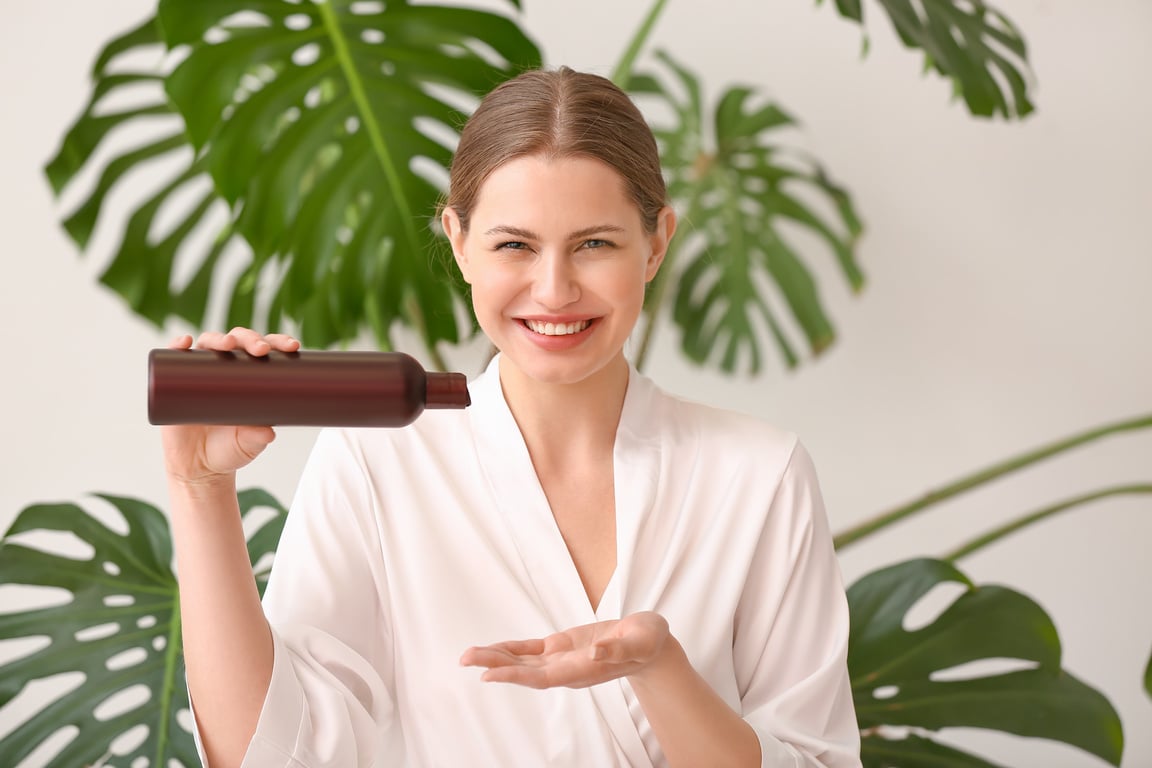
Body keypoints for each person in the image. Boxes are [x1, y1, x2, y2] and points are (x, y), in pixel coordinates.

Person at [163, 66, 861, 768]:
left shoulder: (759, 475)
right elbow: (278, 753)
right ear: (460, 242)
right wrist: (199, 491)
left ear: (655, 244)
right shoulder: (379, 462)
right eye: (514, 245)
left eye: (595, 244)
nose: (554, 290)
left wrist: (660, 669)